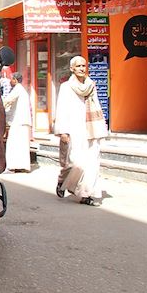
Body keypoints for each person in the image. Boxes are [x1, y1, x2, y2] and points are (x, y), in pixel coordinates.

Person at [53, 55, 108, 206]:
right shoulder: (66, 87)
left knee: (91, 163)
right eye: (78, 66)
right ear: (72, 69)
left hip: (90, 129)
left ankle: (85, 194)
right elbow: (61, 109)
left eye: (84, 66)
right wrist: (62, 131)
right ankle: (63, 181)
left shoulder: (91, 85)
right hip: (73, 129)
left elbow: (96, 106)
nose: (82, 69)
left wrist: (99, 127)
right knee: (76, 163)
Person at [2, 72, 32, 172]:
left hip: (18, 122)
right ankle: (22, 167)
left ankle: (11, 167)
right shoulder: (22, 90)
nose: (10, 81)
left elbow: (8, 101)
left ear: (15, 79)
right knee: (21, 146)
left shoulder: (17, 89)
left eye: (11, 79)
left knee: (13, 145)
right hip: (22, 122)